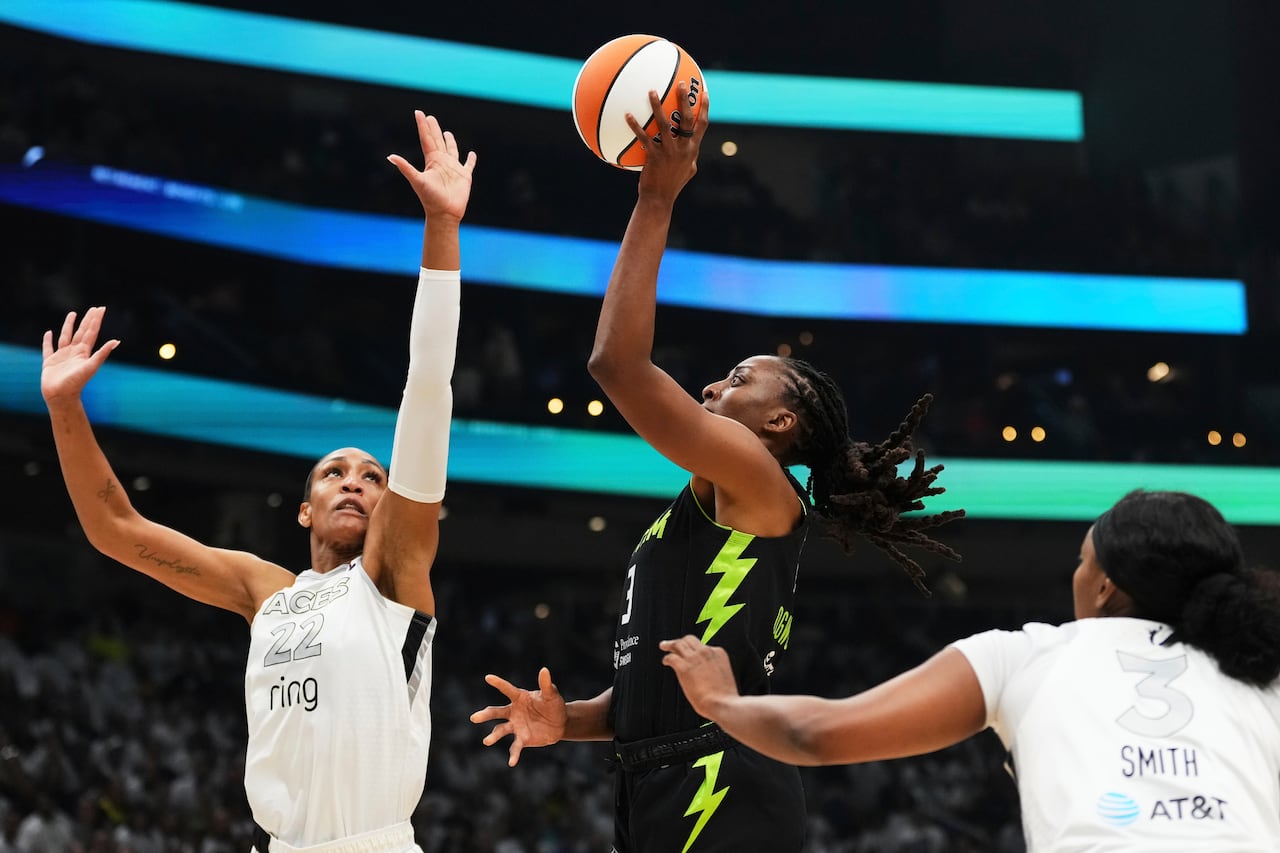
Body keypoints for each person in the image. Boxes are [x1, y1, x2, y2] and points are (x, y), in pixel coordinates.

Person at [470, 86, 963, 853]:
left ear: (779, 422)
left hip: (719, 785)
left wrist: (656, 199)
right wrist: (577, 719)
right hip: (664, 777)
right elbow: (660, 688)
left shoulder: (755, 472)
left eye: (737, 378)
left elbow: (616, 364)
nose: (711, 387)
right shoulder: (718, 497)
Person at [39, 111, 476, 853]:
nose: (354, 482)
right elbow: (117, 530)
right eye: (333, 473)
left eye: (372, 476)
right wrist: (64, 407)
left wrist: (442, 232)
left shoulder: (396, 575)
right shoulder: (265, 592)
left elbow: (427, 390)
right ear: (303, 510)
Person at [662, 489, 1280, 851]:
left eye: (1081, 561)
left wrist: (721, 701)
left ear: (1105, 588)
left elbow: (814, 733)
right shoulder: (1263, 671)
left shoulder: (1029, 654)